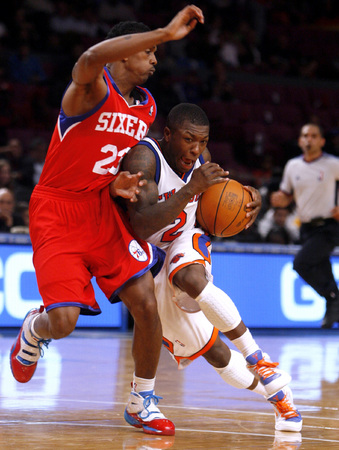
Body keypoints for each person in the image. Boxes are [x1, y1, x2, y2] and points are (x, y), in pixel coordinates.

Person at [9, 5, 205, 437]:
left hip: (101, 211)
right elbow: (88, 59)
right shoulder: (89, 91)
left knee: (145, 303)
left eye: (156, 52)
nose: (154, 59)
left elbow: (113, 163)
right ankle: (33, 330)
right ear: (124, 54)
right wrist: (165, 32)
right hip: (58, 210)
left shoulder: (148, 108)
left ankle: (142, 400)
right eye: (148, 52)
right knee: (63, 324)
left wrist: (118, 186)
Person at [121, 103, 302, 432]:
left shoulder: (197, 160)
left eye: (202, 142)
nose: (196, 149)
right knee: (215, 352)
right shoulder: (144, 158)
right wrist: (191, 188)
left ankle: (259, 359)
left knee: (190, 275)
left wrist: (251, 196)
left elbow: (220, 200)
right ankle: (278, 396)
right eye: (189, 140)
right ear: (168, 135)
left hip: (184, 240)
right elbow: (141, 227)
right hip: (145, 251)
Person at [271, 123, 339, 329]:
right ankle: (334, 302)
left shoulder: (333, 164)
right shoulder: (292, 166)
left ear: (321, 141)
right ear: (300, 141)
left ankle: (334, 299)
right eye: (305, 135)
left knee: (301, 263)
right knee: (321, 267)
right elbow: (286, 194)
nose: (309, 139)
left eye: (314, 135)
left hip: (329, 226)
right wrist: (279, 199)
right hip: (306, 227)